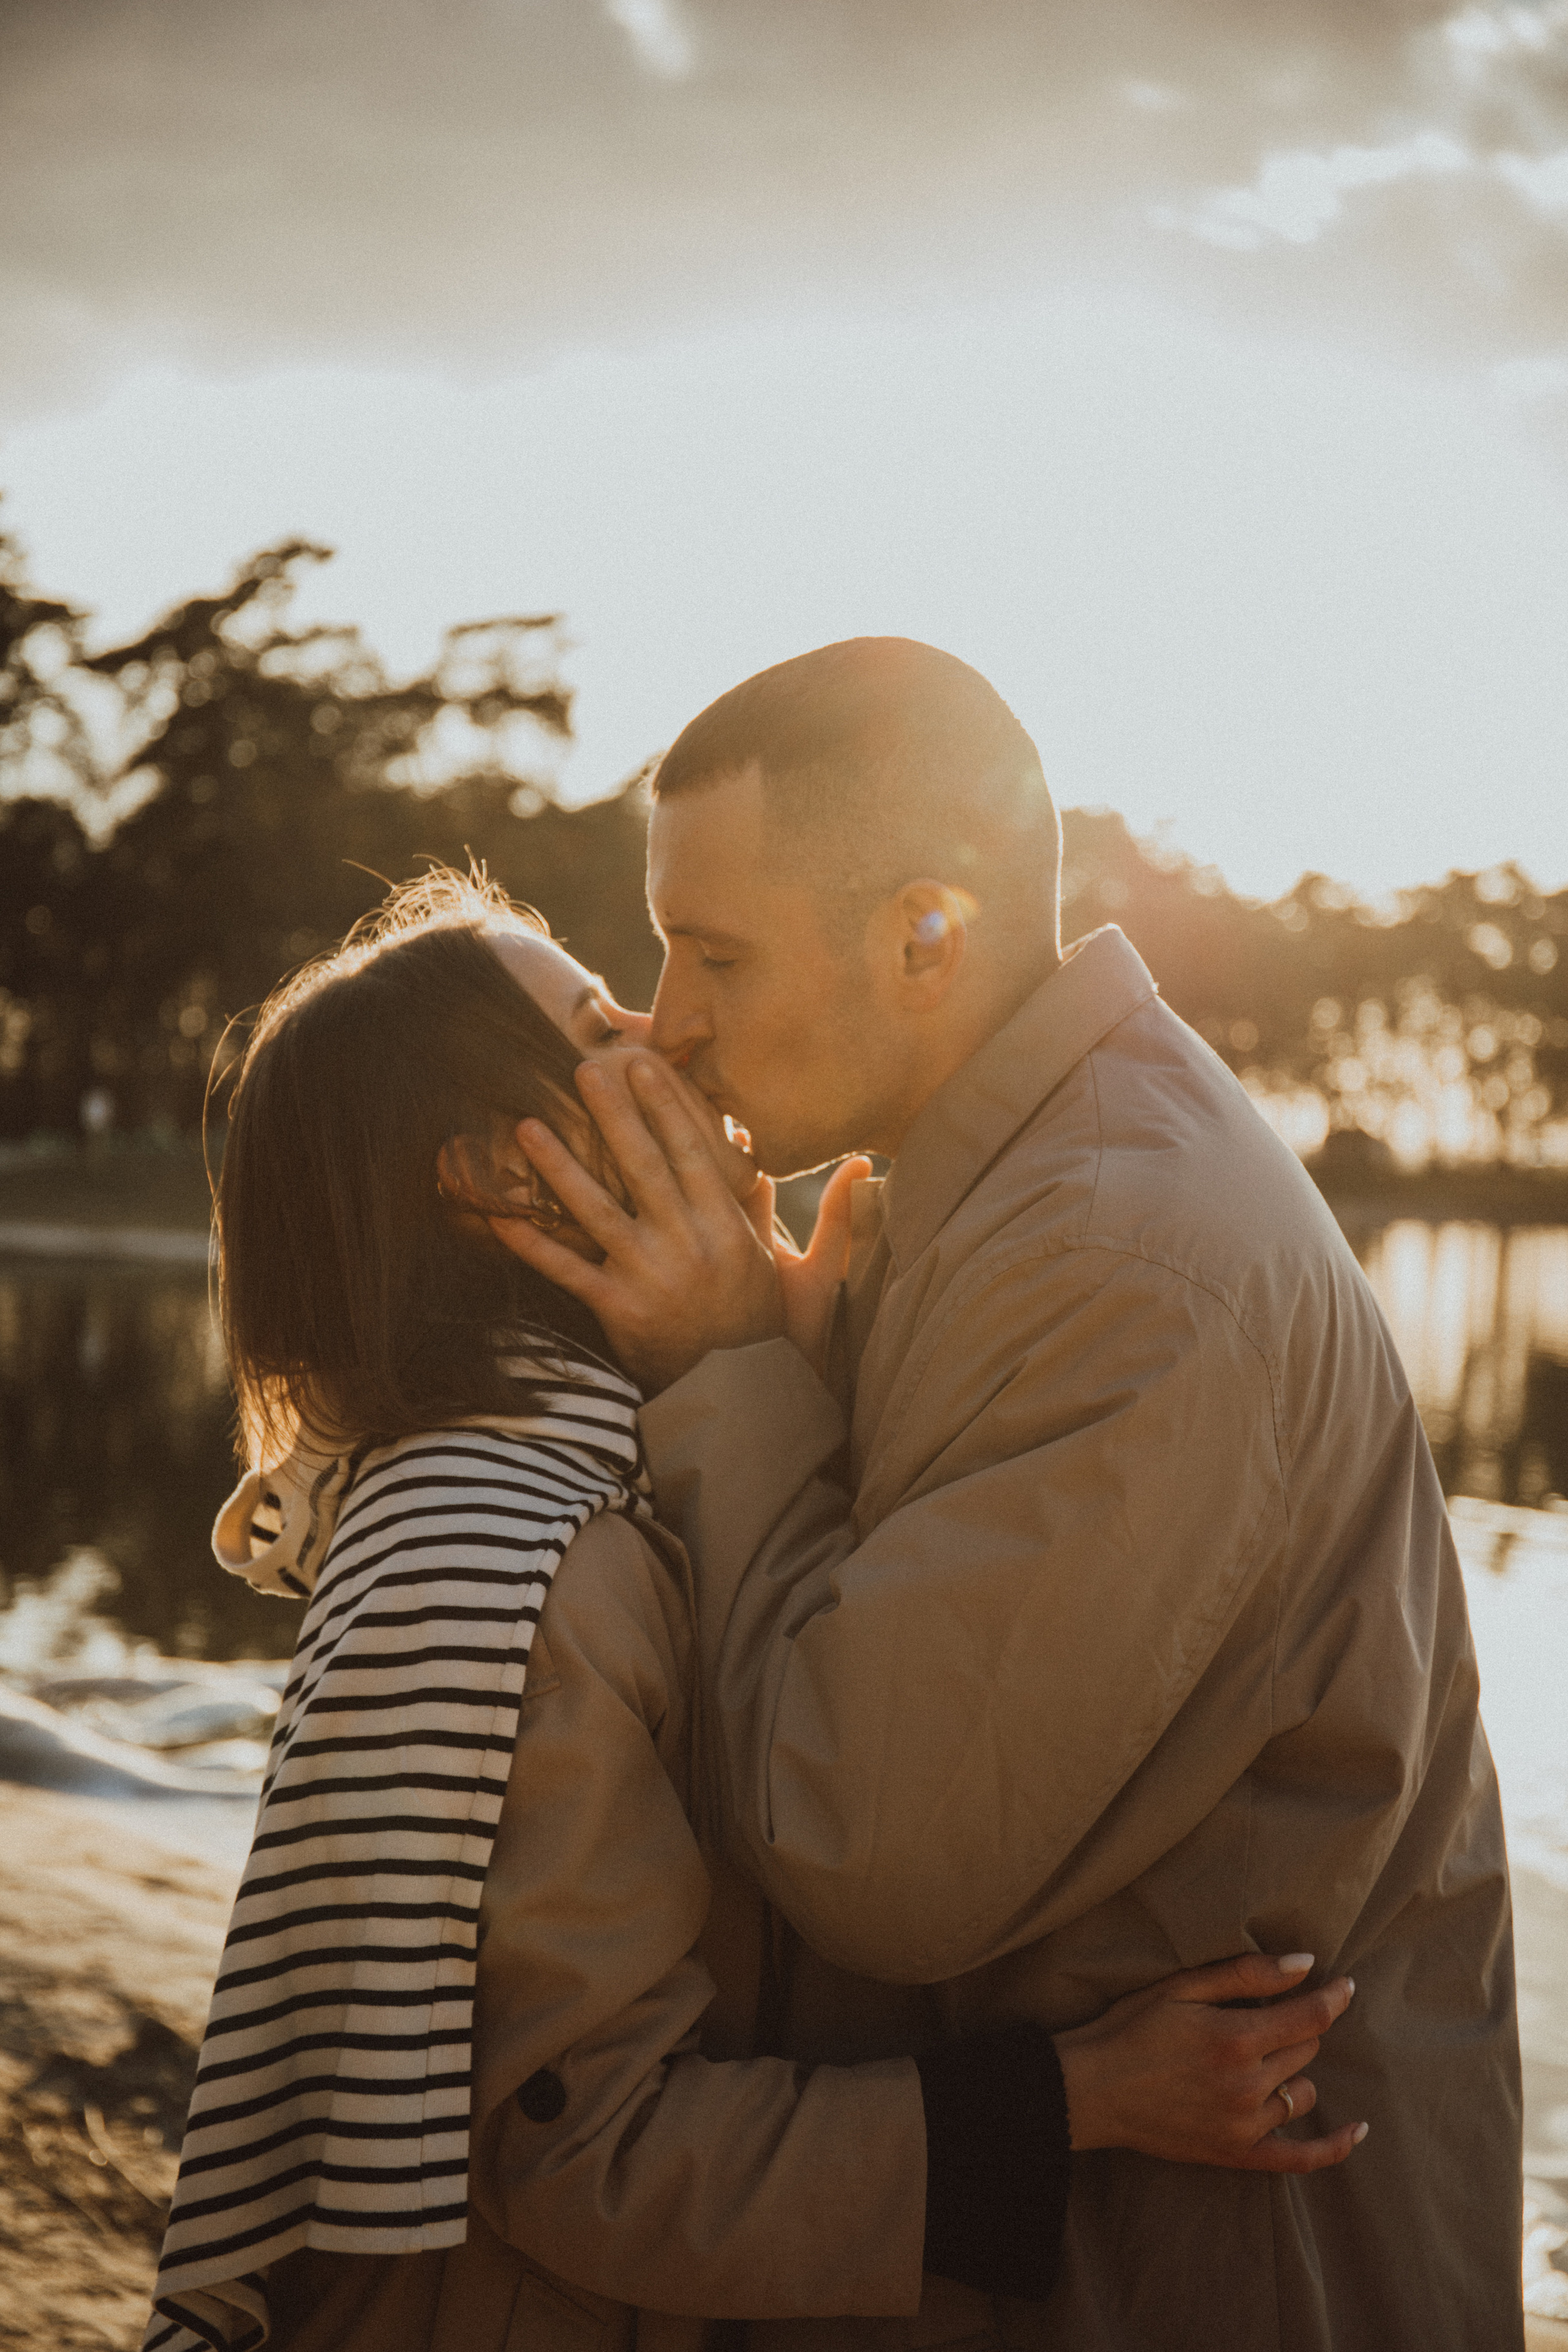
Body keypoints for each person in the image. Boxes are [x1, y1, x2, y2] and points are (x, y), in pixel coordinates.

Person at [143, 872, 1361, 2352]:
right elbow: (579, 2155)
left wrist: (781, 1371)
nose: (671, 1034)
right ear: (499, 1180)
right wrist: (1077, 2099)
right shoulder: (514, 1554)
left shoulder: (557, 1473)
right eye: (607, 1023)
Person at [493, 638, 1525, 2352]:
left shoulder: (1120, 1259)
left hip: (1215, 2274)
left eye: (714, 954)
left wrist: (733, 1373)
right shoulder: (988, 1189)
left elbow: (869, 1843)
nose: (670, 1015)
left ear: (924, 936)